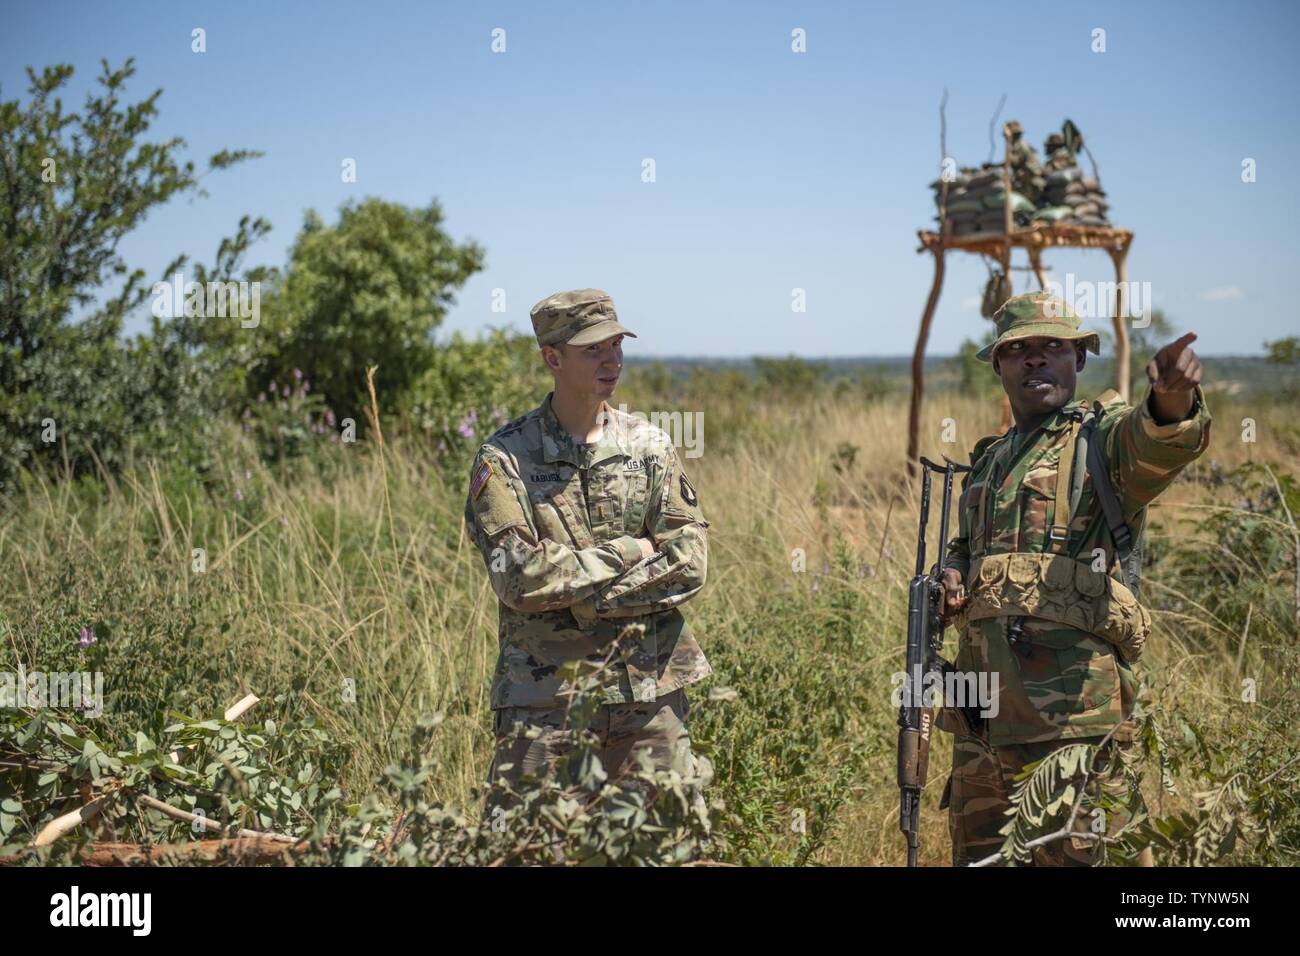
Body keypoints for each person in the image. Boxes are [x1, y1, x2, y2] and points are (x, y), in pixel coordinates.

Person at [937, 291, 1211, 866]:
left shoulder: (1100, 441)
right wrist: (952, 573)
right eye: (1019, 350)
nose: (1035, 359)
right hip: (981, 722)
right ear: (999, 364)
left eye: (1052, 347)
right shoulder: (988, 462)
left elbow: (1157, 441)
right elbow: (966, 547)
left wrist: (1170, 396)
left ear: (1078, 359)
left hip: (1074, 725)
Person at [464, 288, 712, 808]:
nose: (613, 359)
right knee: (529, 850)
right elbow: (520, 578)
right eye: (594, 349)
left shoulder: (650, 446)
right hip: (546, 701)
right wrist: (628, 553)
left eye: (617, 344)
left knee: (660, 848)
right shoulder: (505, 458)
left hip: (648, 693)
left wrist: (585, 598)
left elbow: (689, 561)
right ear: (553, 358)